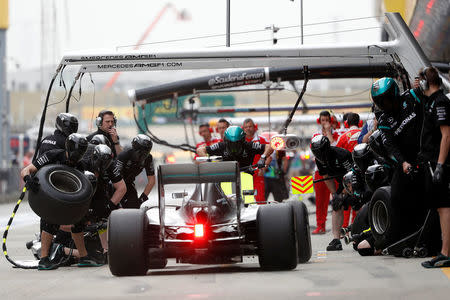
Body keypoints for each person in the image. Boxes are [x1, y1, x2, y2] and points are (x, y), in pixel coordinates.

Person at [20, 133, 98, 270]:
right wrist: (28, 180)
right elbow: (26, 170)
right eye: (76, 151)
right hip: (50, 196)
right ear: (69, 147)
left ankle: (84, 256)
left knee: (78, 221)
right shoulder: (52, 155)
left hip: (68, 197)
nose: (77, 155)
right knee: (49, 221)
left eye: (81, 152)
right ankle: (44, 259)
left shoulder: (80, 165)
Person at [371, 77, 426, 246]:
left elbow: (430, 93)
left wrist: (420, 84)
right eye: (380, 102)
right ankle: (401, 233)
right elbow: (390, 146)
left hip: (427, 152)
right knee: (395, 196)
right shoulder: (384, 120)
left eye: (386, 99)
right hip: (406, 161)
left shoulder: (412, 97)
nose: (385, 104)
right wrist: (402, 162)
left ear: (394, 94)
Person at [416, 67, 450, 268]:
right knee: (440, 206)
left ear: (425, 82)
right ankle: (443, 250)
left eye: (420, 81)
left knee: (444, 206)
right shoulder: (431, 101)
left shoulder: (440, 102)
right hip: (430, 161)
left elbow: (447, 135)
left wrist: (440, 165)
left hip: (438, 163)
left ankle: (446, 252)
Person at [196, 126, 274, 202]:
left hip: (246, 175)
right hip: (226, 176)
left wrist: (262, 158)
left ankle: (248, 203)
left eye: (237, 144)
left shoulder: (249, 145)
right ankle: (225, 203)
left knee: (248, 192)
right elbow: (200, 150)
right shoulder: (221, 146)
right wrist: (207, 162)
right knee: (224, 195)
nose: (234, 147)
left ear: (243, 141)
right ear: (226, 141)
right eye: (231, 144)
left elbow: (270, 147)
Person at [310, 135, 353, 250]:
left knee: (357, 203)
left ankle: (359, 235)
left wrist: (345, 192)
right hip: (343, 182)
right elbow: (326, 177)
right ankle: (336, 240)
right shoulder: (318, 160)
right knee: (336, 204)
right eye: (316, 153)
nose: (319, 155)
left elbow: (353, 175)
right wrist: (335, 194)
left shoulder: (342, 155)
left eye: (320, 152)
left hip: (356, 181)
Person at [82, 144, 126, 254]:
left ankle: (106, 249)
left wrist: (109, 206)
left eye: (106, 163)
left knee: (103, 217)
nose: (103, 165)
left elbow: (122, 188)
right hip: (81, 193)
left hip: (100, 191)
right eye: (101, 162)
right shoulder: (83, 163)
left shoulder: (111, 166)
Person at [311, 111, 340, 234]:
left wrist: (328, 132)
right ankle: (320, 225)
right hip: (320, 171)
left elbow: (335, 147)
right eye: (323, 120)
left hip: (334, 171)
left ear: (330, 121)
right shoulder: (315, 134)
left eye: (327, 120)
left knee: (338, 197)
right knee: (320, 200)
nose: (325, 123)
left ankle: (342, 226)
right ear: (320, 121)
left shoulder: (337, 134)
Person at [336, 112, 362, 228]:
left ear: (346, 124)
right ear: (360, 123)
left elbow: (337, 155)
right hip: (362, 172)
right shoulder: (364, 134)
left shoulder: (343, 137)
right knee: (360, 200)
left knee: (346, 201)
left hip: (347, 174)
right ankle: (357, 226)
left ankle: (344, 228)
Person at [116, 134, 155, 209]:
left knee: (134, 207)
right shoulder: (124, 155)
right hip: (116, 183)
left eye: (145, 153)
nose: (142, 156)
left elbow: (151, 180)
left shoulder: (148, 158)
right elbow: (115, 178)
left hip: (129, 183)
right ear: (134, 148)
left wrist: (141, 199)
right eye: (140, 152)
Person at [243, 118, 269, 204]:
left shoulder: (262, 140)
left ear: (255, 127)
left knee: (260, 199)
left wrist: (263, 168)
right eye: (246, 127)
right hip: (244, 175)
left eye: (250, 126)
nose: (248, 128)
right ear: (243, 129)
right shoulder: (240, 141)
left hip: (258, 173)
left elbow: (269, 156)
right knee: (245, 199)